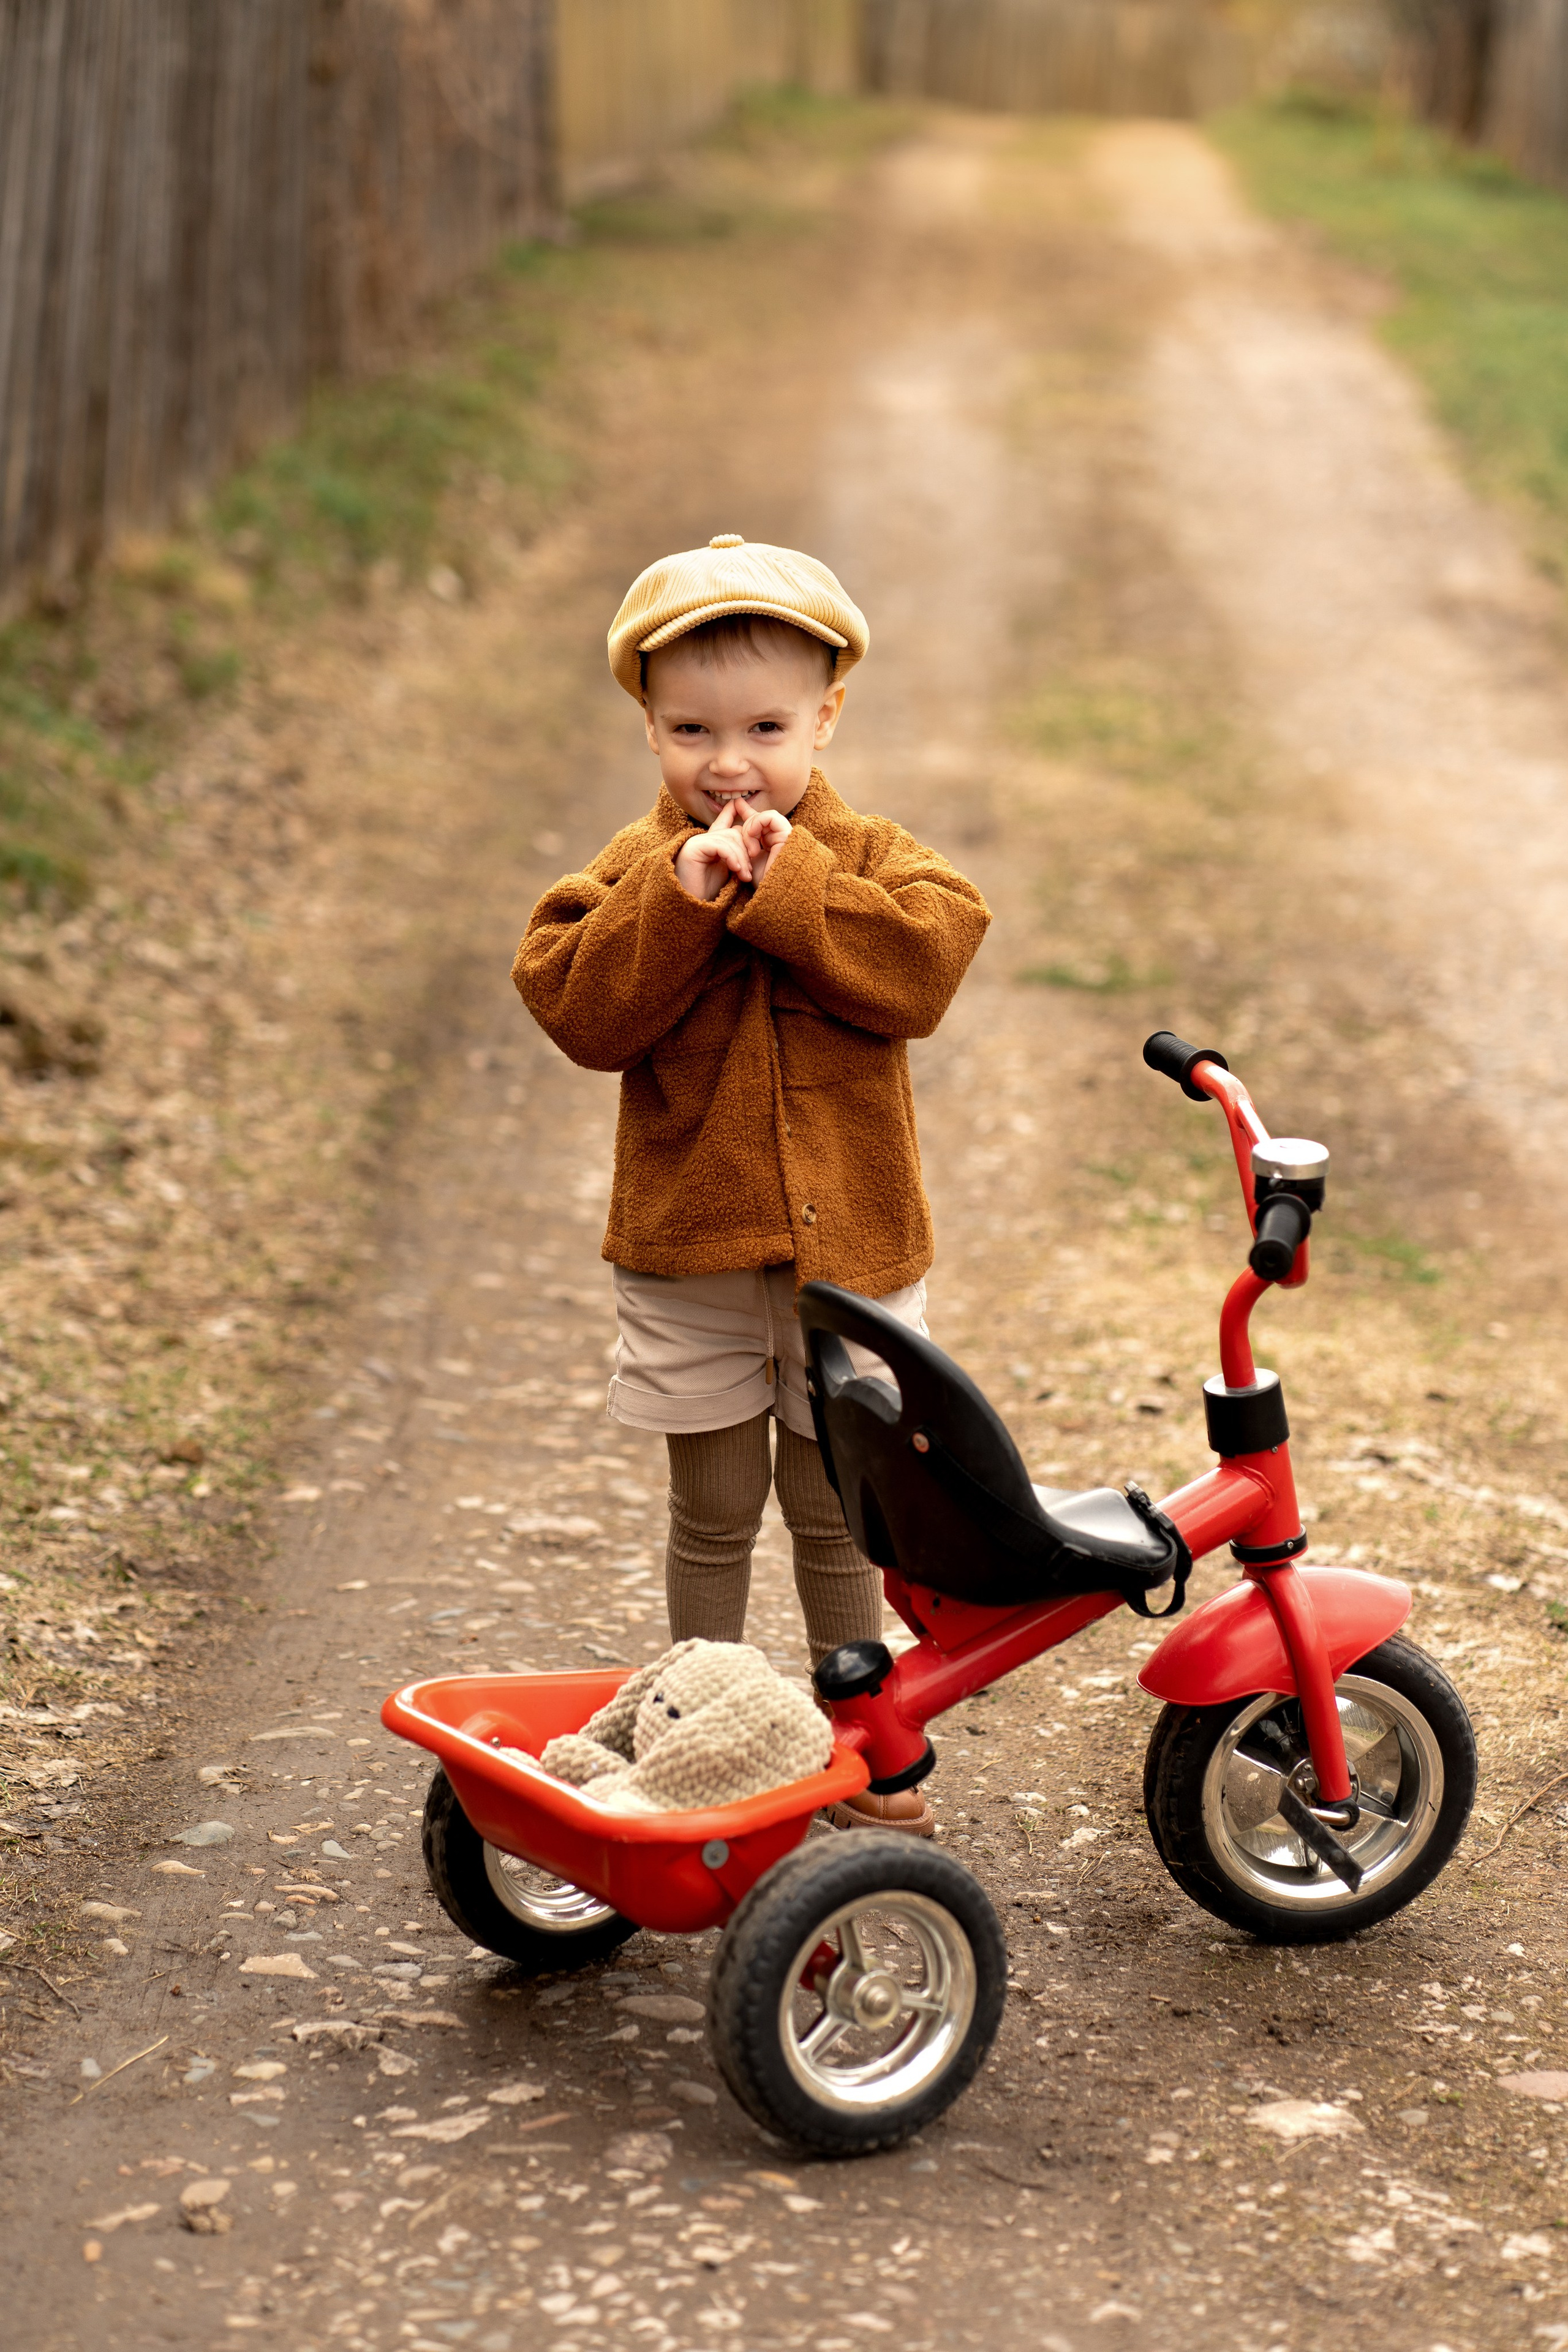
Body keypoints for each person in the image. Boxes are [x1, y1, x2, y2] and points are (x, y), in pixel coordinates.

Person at [513, 535, 990, 1831]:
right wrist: (676, 901)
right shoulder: (630, 872)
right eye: (690, 730)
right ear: (648, 725)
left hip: (854, 1259)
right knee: (714, 1503)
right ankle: (694, 1741)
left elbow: (924, 969)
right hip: (688, 1250)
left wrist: (789, 890)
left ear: (826, 718)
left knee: (833, 1505)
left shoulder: (877, 860)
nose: (728, 763)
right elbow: (576, 1007)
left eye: (767, 726)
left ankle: (863, 1743)